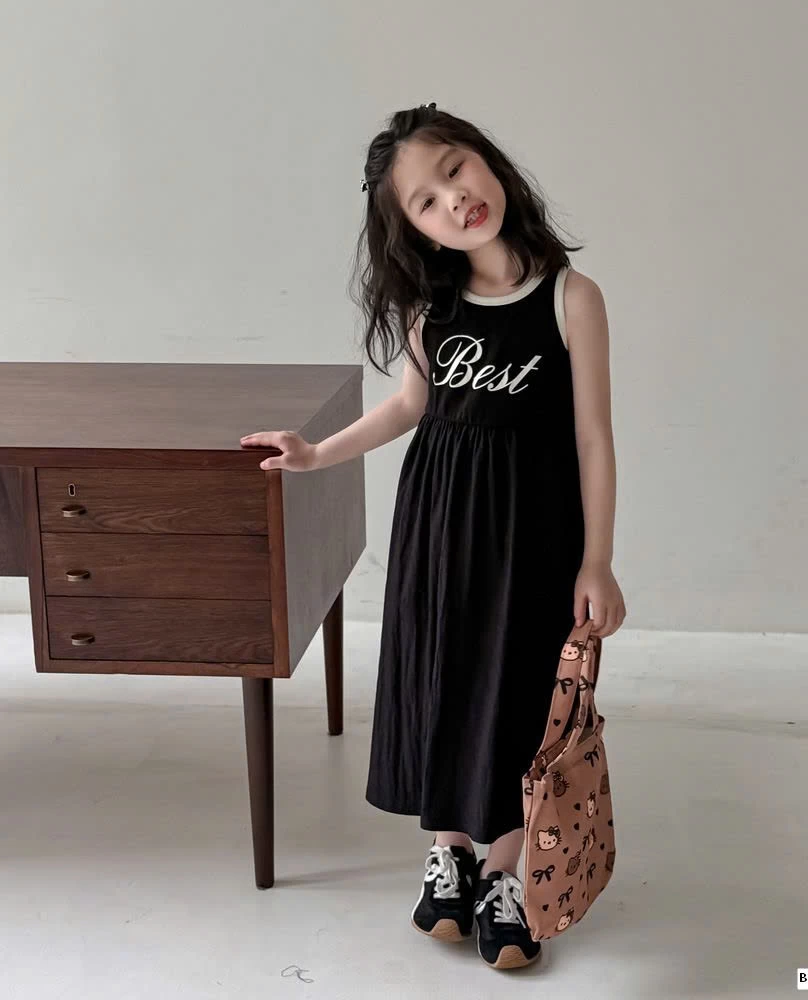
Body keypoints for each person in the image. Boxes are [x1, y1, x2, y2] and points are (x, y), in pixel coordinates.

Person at [240, 102, 625, 971]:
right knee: (441, 674)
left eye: (455, 170)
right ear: (415, 229)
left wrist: (597, 560)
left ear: (487, 161)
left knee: (521, 691)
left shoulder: (571, 298)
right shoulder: (433, 308)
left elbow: (595, 437)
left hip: (534, 535)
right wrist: (317, 453)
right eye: (425, 200)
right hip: (439, 527)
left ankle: (505, 872)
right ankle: (448, 853)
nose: (453, 199)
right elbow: (408, 407)